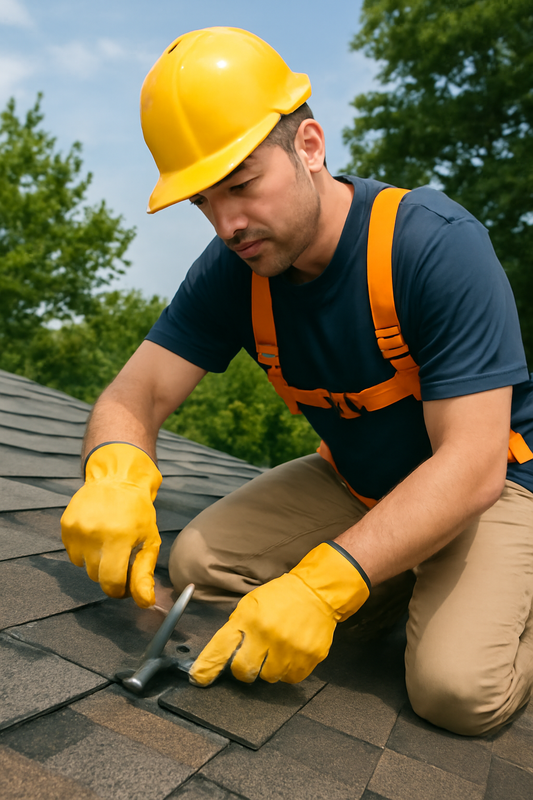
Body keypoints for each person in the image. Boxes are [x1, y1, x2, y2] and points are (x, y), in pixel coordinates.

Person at [61, 27, 533, 736]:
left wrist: (321, 586)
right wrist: (115, 474)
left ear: (308, 146)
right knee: (197, 565)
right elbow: (137, 395)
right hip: (357, 483)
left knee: (452, 689)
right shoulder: (237, 269)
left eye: (241, 184)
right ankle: (399, 574)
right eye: (203, 203)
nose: (227, 224)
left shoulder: (431, 243)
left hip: (492, 488)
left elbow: (469, 466)